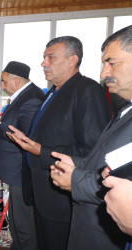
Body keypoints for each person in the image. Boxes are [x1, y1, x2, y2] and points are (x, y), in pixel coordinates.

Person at [6, 36, 111, 250]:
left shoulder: (87, 91)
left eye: (50, 58)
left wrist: (40, 150)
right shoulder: (54, 92)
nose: (44, 63)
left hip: (62, 200)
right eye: (44, 58)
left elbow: (92, 151)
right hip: (43, 194)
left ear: (72, 60)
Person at [50, 25, 132, 249]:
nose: (104, 73)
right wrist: (77, 164)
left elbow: (123, 188)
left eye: (111, 63)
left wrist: (74, 179)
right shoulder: (126, 109)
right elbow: (113, 163)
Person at [0, 61, 44, 250]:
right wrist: (2, 122)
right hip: (15, 173)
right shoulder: (24, 96)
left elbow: (26, 136)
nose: (2, 87)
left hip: (21, 173)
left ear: (16, 81)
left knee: (24, 227)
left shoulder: (31, 98)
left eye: (3, 82)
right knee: (18, 226)